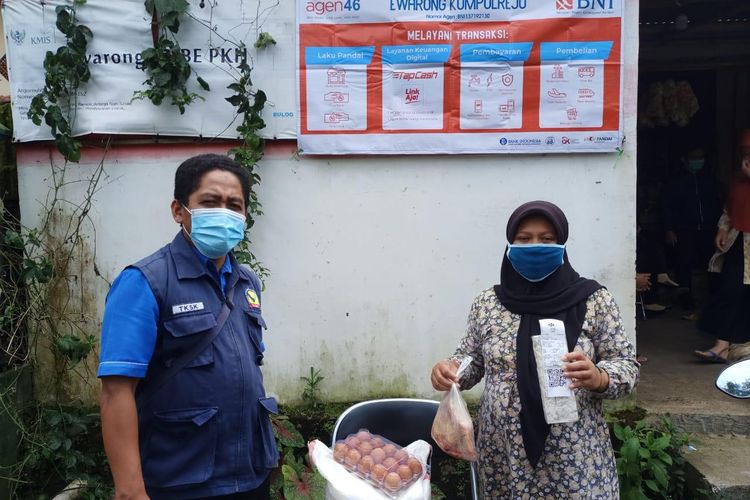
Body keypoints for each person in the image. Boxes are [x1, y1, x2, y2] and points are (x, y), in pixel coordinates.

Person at [98, 154, 278, 499]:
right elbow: (115, 392)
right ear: (179, 210)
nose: (224, 212)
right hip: (180, 481)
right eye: (210, 202)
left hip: (250, 477)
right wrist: (131, 491)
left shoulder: (246, 283)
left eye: (234, 205)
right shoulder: (146, 282)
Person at [430, 200, 639, 498]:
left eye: (547, 239)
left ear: (562, 244)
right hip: (503, 452)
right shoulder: (488, 303)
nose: (535, 246)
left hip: (573, 452)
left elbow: (627, 366)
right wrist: (450, 370)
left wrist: (600, 377)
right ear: (510, 244)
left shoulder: (593, 299)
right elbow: (472, 359)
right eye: (524, 239)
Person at [694, 132, 750, 363]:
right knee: (730, 290)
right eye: (745, 152)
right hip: (739, 240)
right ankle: (723, 345)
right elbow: (730, 208)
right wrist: (722, 229)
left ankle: (734, 344)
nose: (747, 157)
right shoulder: (738, 178)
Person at [660, 147, 723, 317]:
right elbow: (666, 207)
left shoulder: (709, 179)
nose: (698, 160)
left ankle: (713, 300)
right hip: (684, 229)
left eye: (701, 157)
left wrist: (721, 227)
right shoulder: (675, 181)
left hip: (708, 229)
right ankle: (686, 299)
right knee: (683, 265)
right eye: (694, 157)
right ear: (685, 159)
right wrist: (669, 229)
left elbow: (719, 204)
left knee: (711, 264)